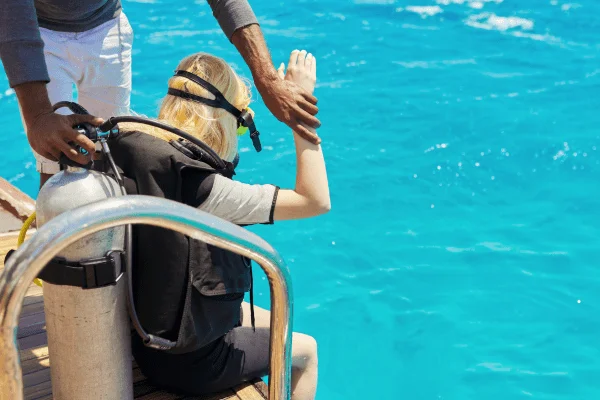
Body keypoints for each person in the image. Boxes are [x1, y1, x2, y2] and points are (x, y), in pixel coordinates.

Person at [107, 49, 328, 400]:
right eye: (242, 122)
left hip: (146, 339)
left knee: (274, 316)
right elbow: (315, 200)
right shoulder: (203, 189)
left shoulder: (132, 155)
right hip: (193, 362)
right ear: (222, 120)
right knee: (306, 350)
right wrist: (300, 111)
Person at [0, 0, 321, 186]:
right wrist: (38, 113)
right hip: (38, 27)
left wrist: (266, 78)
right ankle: (56, 270)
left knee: (109, 152)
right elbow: (12, 14)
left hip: (105, 25)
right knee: (55, 157)